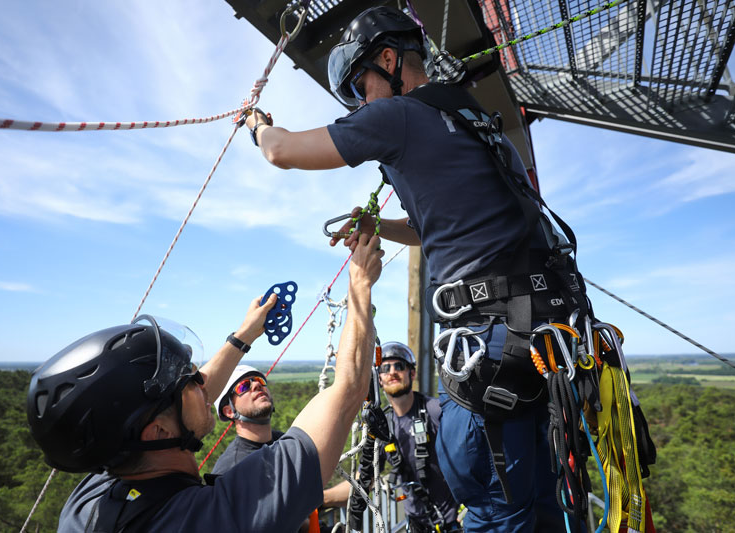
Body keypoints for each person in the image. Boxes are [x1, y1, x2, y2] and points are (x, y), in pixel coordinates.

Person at [242, 6, 593, 531]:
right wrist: (380, 226)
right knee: (542, 506)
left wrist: (258, 126)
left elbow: (283, 153)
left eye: (362, 86)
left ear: (388, 59)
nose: (362, 102)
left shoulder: (400, 116)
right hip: (545, 338)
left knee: (493, 509)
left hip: (489, 348)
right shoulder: (478, 125)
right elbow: (441, 226)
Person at [26, 233, 384, 533]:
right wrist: (360, 284)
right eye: (189, 382)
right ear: (157, 433)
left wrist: (245, 335)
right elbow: (348, 389)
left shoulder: (93, 498)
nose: (202, 383)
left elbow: (180, 408)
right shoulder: (217, 517)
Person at [210, 365, 350, 518]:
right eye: (244, 386)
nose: (257, 385)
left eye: (259, 380)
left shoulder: (284, 441)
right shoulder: (231, 470)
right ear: (229, 411)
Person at [377, 342, 460, 533]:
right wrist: (321, 499)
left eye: (399, 366)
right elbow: (364, 479)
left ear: (411, 374)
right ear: (379, 379)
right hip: (415, 524)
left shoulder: (435, 411)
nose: (392, 372)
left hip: (452, 521)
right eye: (385, 368)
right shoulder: (381, 427)